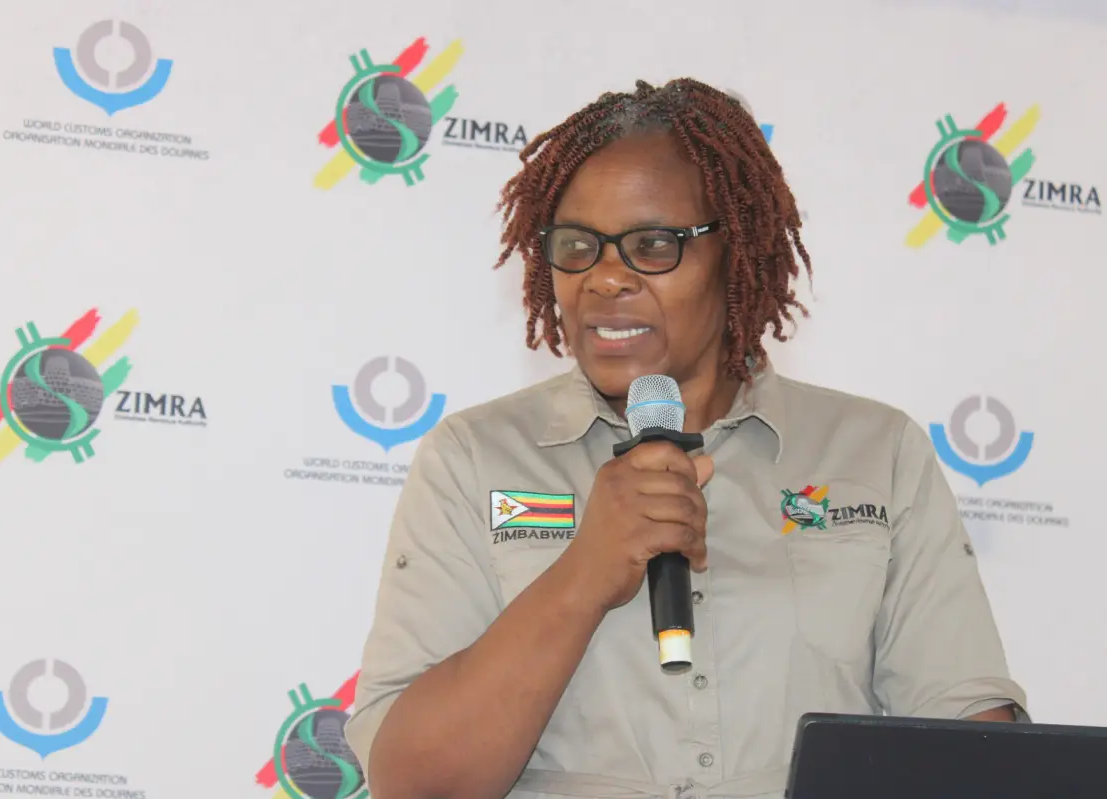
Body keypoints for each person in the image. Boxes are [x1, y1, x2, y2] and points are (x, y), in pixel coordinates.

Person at [344, 78, 1027, 799]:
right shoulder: (472, 457)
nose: (605, 279)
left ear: (739, 251)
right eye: (577, 246)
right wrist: (584, 573)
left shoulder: (876, 453)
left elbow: (972, 749)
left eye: (652, 245)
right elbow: (412, 781)